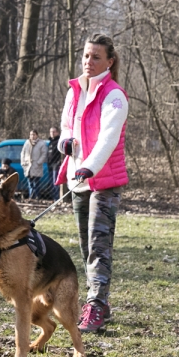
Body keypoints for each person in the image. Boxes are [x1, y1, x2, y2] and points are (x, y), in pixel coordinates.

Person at [55, 33, 129, 333]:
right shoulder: (75, 91)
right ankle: (98, 300)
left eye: (96, 57)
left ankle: (96, 307)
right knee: (86, 246)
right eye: (86, 56)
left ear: (109, 61)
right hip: (78, 181)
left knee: (99, 246)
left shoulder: (115, 96)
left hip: (103, 182)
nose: (89, 61)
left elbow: (107, 139)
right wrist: (66, 144)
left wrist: (88, 167)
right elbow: (65, 127)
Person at [20, 130, 47, 199]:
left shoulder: (41, 143)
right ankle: (31, 197)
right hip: (28, 166)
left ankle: (37, 197)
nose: (32, 136)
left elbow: (44, 154)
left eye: (34, 134)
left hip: (36, 166)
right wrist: (23, 162)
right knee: (30, 183)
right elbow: (23, 153)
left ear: (37, 135)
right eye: (31, 134)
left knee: (36, 183)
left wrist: (39, 162)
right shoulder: (27, 143)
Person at [46, 126, 62, 200]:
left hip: (56, 165)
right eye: (51, 132)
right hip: (50, 165)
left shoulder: (59, 141)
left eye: (54, 131)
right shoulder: (50, 142)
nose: (52, 133)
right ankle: (53, 198)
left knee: (55, 183)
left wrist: (59, 162)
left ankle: (57, 198)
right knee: (51, 184)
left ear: (57, 132)